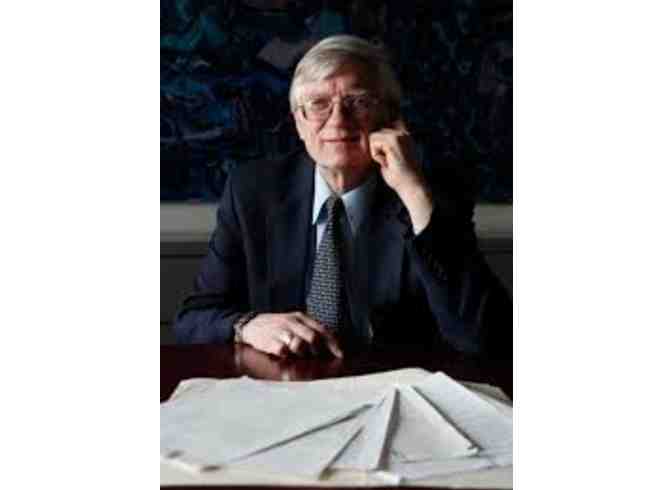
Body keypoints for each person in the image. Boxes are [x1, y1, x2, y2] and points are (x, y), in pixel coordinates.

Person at [173, 34, 511, 359]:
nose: (338, 121)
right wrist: (247, 326)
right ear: (298, 123)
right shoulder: (253, 192)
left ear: (390, 118)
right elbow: (193, 319)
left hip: (394, 386)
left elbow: (486, 337)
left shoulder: (432, 193)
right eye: (318, 104)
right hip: (284, 387)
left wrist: (413, 192)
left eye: (358, 102)